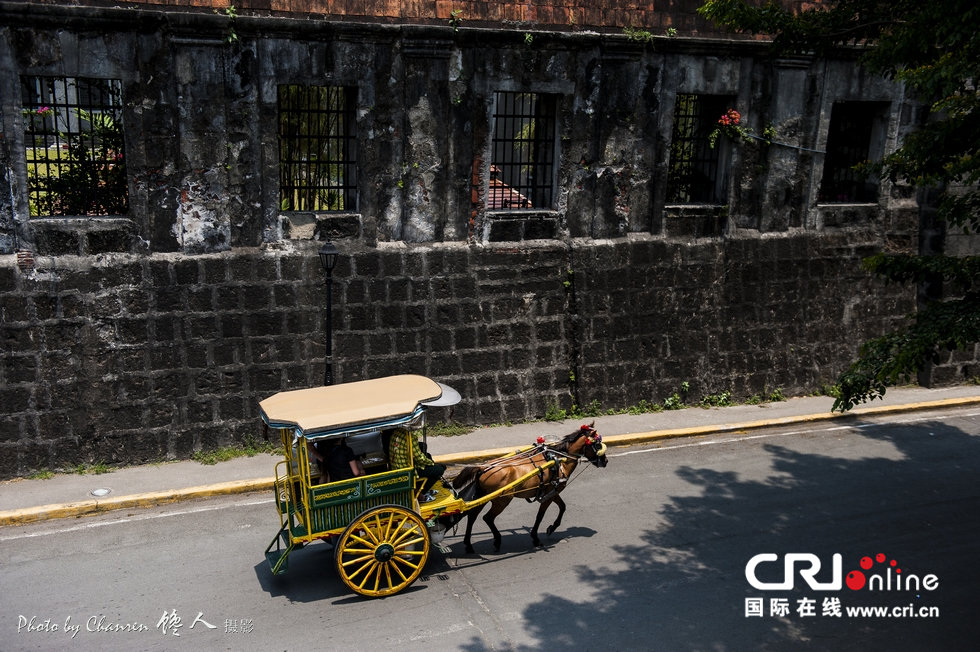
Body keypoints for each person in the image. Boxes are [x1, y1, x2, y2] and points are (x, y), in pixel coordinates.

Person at [387, 427, 446, 500]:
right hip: (408, 472)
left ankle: (421, 488)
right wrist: (432, 463)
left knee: (425, 451)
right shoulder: (410, 437)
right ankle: (420, 494)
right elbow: (420, 458)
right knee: (440, 469)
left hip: (397, 468)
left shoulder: (395, 432)